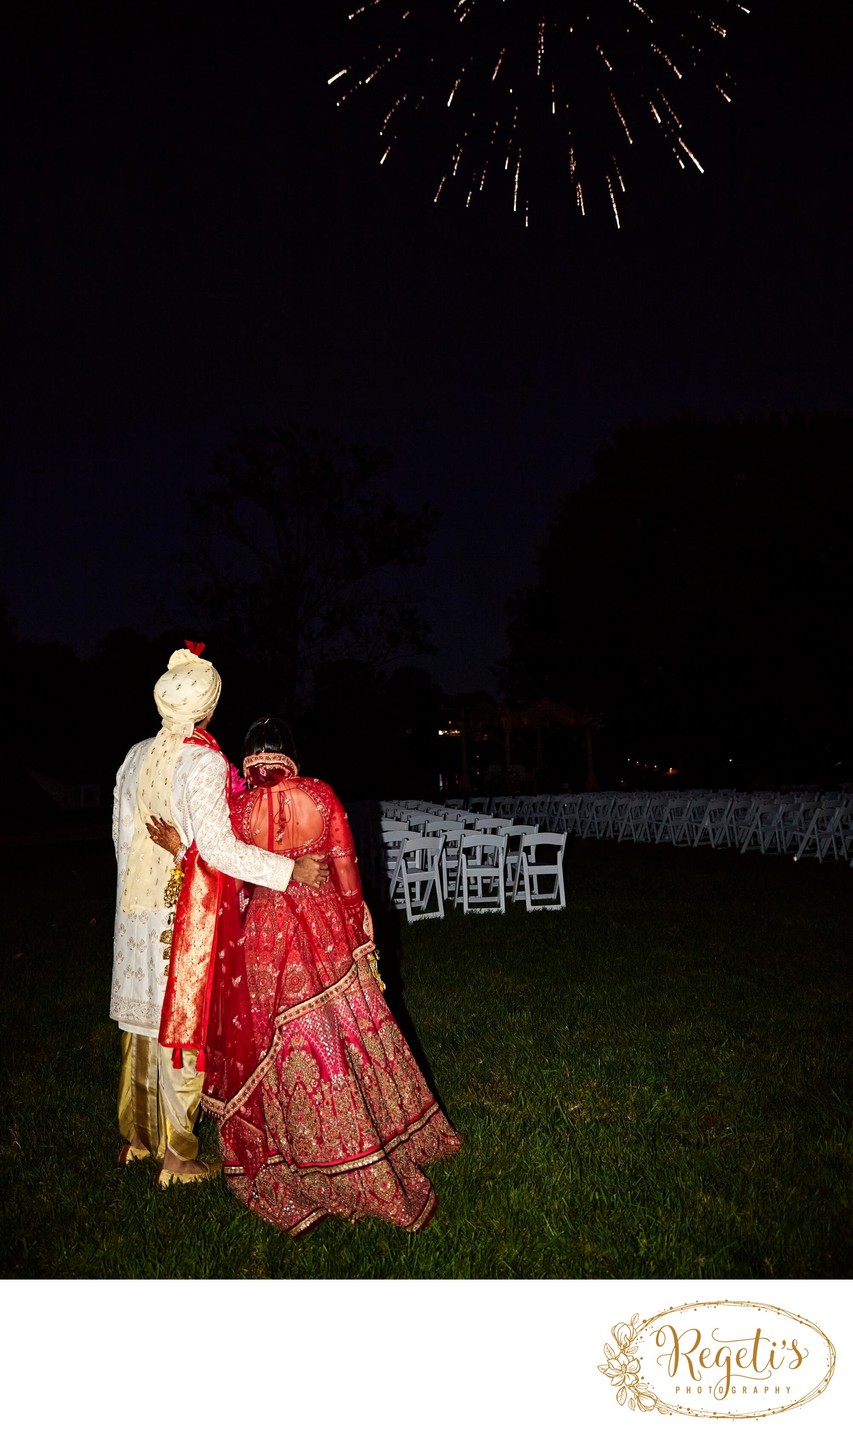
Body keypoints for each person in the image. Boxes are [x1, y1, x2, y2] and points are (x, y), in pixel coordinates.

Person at [153, 715, 460, 1233]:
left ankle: (290, 1154)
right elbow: (344, 861)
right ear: (291, 752)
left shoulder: (239, 806)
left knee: (276, 1032)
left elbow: (221, 864)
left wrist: (181, 850)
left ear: (248, 758)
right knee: (342, 1023)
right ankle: (372, 1139)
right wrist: (356, 921)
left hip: (264, 931)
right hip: (322, 920)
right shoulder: (318, 794)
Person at [111, 644, 329, 1188]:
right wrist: (289, 871)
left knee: (140, 1024)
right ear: (207, 708)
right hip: (179, 910)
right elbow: (220, 850)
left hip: (133, 909)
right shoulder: (203, 761)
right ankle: (178, 1155)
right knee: (180, 1025)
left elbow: (120, 837)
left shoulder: (135, 754)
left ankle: (137, 1139)